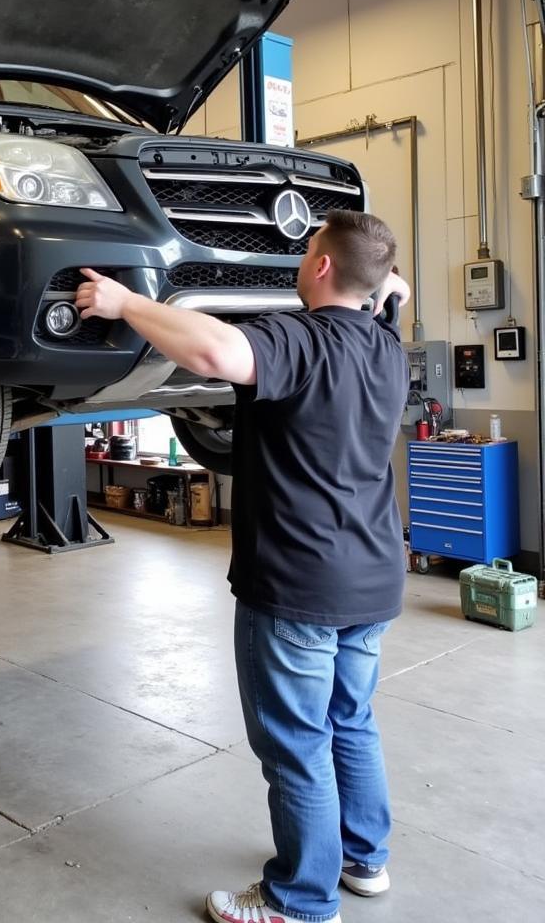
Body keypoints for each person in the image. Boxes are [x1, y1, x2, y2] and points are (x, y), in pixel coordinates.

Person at [76, 209, 410, 923]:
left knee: (296, 744)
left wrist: (126, 302)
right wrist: (383, 278)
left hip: (296, 583)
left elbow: (216, 356)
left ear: (321, 267)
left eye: (308, 249)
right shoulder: (386, 347)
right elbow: (392, 289)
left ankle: (300, 900)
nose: (300, 258)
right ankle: (363, 858)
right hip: (374, 576)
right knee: (350, 721)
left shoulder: (300, 341)